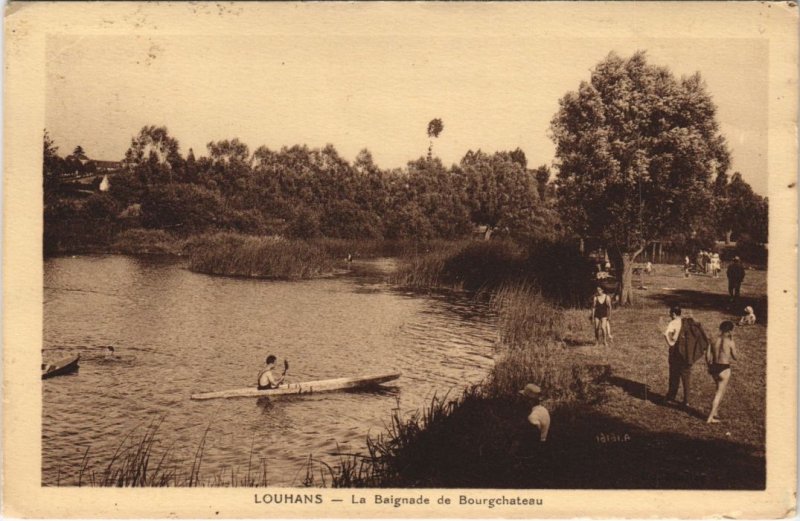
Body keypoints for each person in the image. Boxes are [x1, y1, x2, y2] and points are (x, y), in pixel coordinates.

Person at [705, 321, 739, 423]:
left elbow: (707, 356)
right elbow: (735, 357)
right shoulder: (730, 342)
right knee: (719, 393)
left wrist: (709, 366)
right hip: (724, 368)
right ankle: (710, 417)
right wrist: (732, 342)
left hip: (714, 367)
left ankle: (715, 412)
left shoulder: (713, 339)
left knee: (719, 389)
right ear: (730, 331)